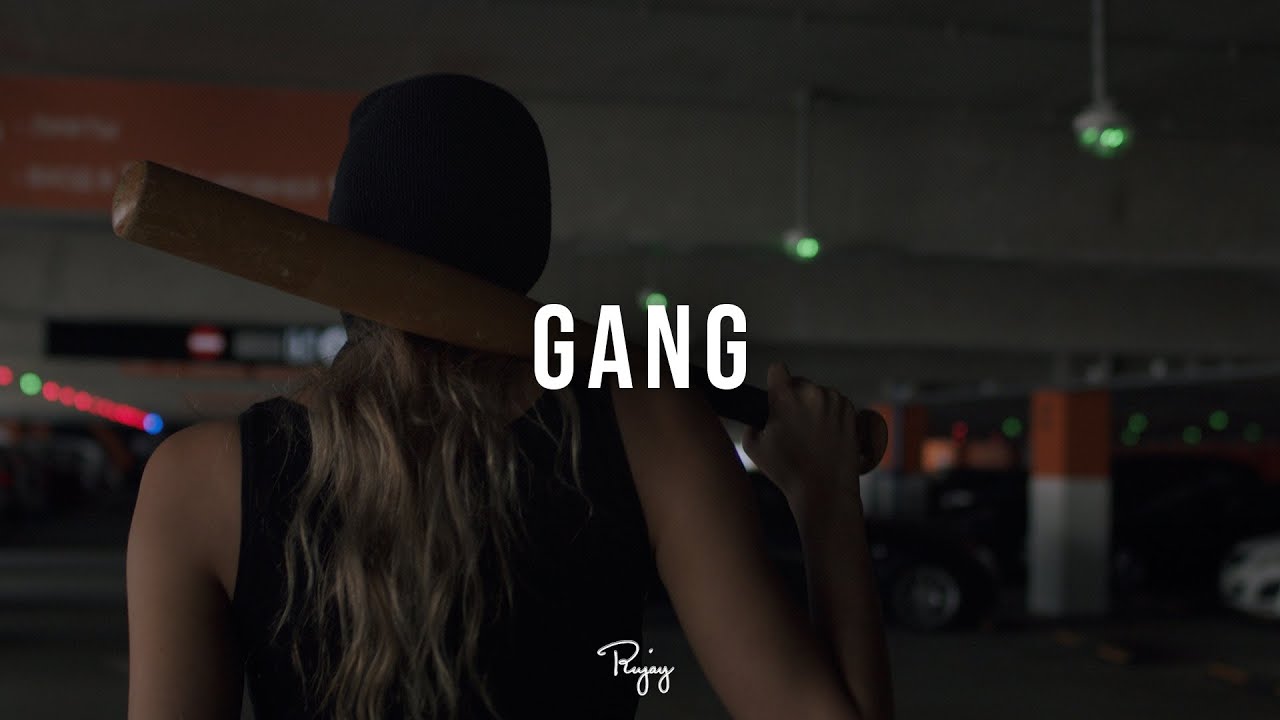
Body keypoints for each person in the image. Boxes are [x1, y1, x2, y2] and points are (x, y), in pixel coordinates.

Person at [126, 74, 893, 720]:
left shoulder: (197, 482)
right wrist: (824, 495)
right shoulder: (653, 429)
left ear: (344, 239)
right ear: (528, 243)